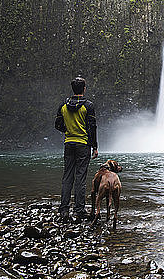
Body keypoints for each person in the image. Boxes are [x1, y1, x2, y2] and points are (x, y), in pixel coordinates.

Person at [55, 76, 98, 221]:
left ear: (73, 89)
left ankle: (64, 210)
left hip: (69, 143)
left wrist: (67, 131)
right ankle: (79, 209)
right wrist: (95, 146)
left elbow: (57, 124)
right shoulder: (88, 106)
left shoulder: (63, 105)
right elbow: (92, 127)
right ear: (84, 89)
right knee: (80, 177)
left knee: (67, 176)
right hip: (83, 144)